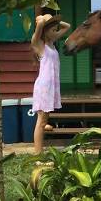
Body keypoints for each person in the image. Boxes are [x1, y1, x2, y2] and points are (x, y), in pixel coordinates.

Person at [30, 13, 70, 154]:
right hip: (44, 87)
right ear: (45, 32)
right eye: (53, 30)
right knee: (41, 122)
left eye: (55, 30)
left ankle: (39, 152)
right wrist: (42, 21)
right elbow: (37, 33)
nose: (56, 32)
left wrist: (53, 20)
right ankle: (38, 154)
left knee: (43, 121)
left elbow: (67, 26)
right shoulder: (40, 45)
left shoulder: (52, 43)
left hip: (51, 87)